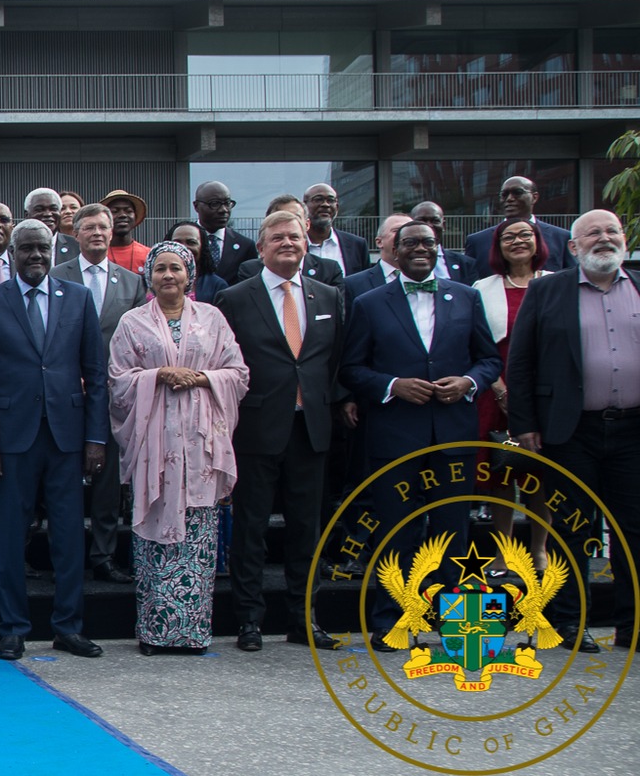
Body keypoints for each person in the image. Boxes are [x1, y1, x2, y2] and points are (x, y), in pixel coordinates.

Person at [340, 221, 501, 651]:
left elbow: (489, 360)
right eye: (409, 242)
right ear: (393, 249)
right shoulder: (371, 303)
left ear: (438, 248)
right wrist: (393, 386)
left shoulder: (466, 297)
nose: (419, 249)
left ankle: (463, 632)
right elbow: (352, 368)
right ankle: (393, 624)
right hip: (395, 434)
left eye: (427, 242)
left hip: (453, 432)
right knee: (396, 531)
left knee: (455, 531)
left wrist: (469, 383)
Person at [0, 220, 109, 661]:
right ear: (11, 253)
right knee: (11, 536)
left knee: (69, 536)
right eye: (26, 249)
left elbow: (97, 375)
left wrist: (95, 439)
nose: (35, 256)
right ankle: (12, 628)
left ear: (53, 252)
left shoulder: (79, 298)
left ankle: (68, 627)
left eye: (42, 249)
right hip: (12, 440)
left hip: (67, 437)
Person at [107, 241, 249, 655]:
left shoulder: (213, 318)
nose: (168, 276)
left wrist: (203, 378)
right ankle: (153, 632)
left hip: (200, 446)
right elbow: (118, 381)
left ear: (190, 276)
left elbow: (237, 374)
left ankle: (192, 633)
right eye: (160, 269)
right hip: (155, 447)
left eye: (176, 268)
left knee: (198, 538)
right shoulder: (132, 323)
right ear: (148, 276)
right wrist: (158, 375)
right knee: (155, 539)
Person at [213, 208, 345, 652]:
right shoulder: (235, 297)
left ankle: (303, 619)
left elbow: (334, 361)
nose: (287, 243)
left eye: (295, 237)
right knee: (250, 529)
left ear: (306, 242)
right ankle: (249, 620)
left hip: (311, 428)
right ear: (263, 247)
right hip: (255, 428)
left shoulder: (328, 297)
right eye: (278, 238)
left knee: (306, 531)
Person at [506, 209, 636, 653]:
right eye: (592, 233)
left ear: (624, 239)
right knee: (573, 529)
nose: (604, 238)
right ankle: (567, 624)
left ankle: (631, 626)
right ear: (574, 247)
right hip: (571, 430)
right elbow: (520, 362)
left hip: (634, 431)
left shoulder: (638, 285)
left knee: (633, 531)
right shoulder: (547, 291)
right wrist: (523, 424)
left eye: (612, 231)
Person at [53, 203, 151, 583]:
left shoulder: (131, 282)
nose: (97, 232)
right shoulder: (56, 275)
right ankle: (68, 554)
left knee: (108, 480)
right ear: (75, 234)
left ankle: (104, 555)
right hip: (65, 393)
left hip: (112, 395)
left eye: (103, 227)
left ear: (112, 234)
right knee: (64, 480)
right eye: (88, 227)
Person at [469, 217, 553, 574]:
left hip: (545, 393)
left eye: (524, 235)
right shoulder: (481, 288)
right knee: (499, 475)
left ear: (537, 241)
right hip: (495, 391)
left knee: (541, 475)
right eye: (508, 237)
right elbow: (475, 343)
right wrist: (500, 387)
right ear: (497, 246)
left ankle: (539, 549)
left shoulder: (556, 284)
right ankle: (504, 552)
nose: (517, 241)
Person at [463, 176, 578, 280]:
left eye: (517, 192)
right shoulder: (477, 241)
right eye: (504, 194)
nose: (509, 199)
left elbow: (571, 278)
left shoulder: (561, 237)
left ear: (535, 197)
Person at [301, 183, 370, 277]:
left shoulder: (357, 245)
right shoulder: (296, 244)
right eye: (318, 199)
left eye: (330, 200)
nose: (325, 204)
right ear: (304, 207)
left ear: (337, 207)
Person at [343, 213, 414, 305]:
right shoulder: (353, 284)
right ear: (379, 242)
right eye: (397, 230)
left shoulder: (431, 283)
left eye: (410, 232)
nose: (405, 236)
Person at [193, 181, 255, 283]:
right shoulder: (181, 241)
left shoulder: (246, 246)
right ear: (196, 206)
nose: (223, 210)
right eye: (214, 204)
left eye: (227, 203)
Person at [166, 221, 229, 302]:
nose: (184, 247)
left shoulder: (217, 285)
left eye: (191, 242)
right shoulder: (154, 280)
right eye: (177, 242)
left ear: (202, 247)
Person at [24, 188, 79, 264]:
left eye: (53, 209)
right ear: (27, 215)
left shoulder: (77, 246)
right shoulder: (13, 248)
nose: (48, 214)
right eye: (40, 209)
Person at [101, 190, 152, 273]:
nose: (123, 215)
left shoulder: (148, 255)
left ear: (135, 216)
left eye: (128, 211)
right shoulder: (97, 254)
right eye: (115, 211)